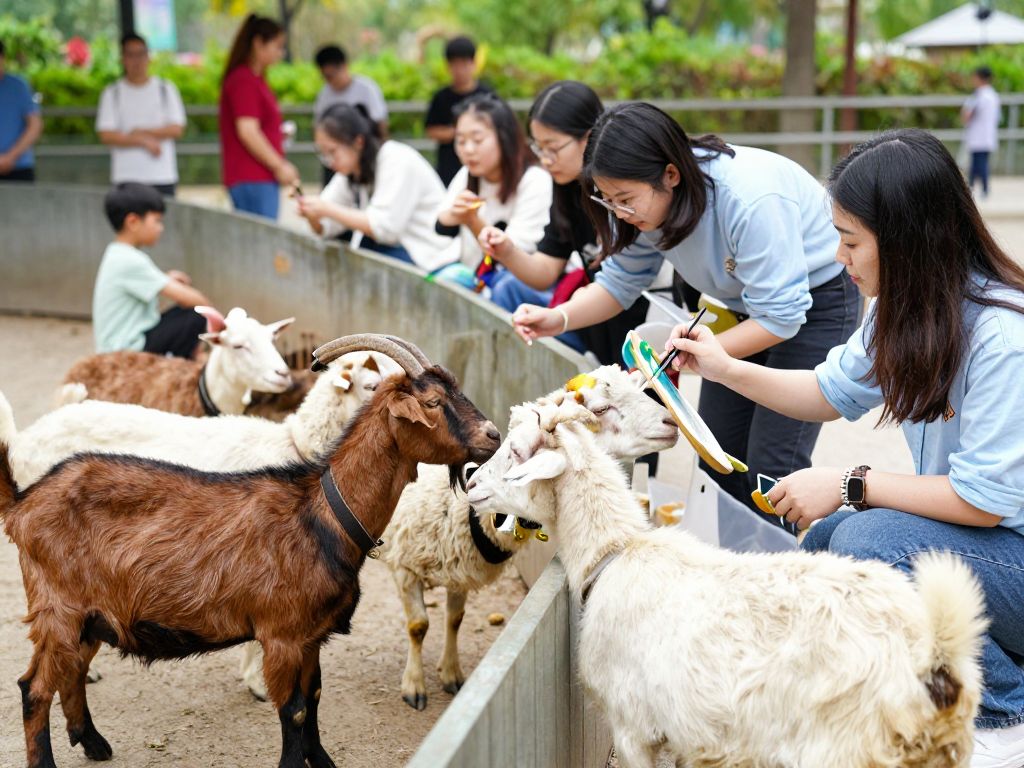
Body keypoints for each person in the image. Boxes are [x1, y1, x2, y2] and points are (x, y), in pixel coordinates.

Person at [666, 129, 1024, 768]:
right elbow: (826, 391)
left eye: (851, 241)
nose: (840, 258)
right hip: (994, 556)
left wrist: (850, 484)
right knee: (829, 545)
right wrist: (721, 367)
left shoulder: (1001, 337)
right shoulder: (906, 310)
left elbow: (983, 503)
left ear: (909, 242)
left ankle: (1005, 710)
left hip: (1011, 553)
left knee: (871, 543)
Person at [512, 102, 861, 524]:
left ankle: (767, 573)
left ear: (671, 175)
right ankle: (723, 567)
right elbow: (620, 281)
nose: (619, 212)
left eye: (624, 199)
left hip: (813, 303)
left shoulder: (748, 199)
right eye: (607, 200)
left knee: (772, 462)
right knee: (716, 449)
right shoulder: (644, 207)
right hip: (740, 309)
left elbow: (782, 316)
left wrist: (687, 354)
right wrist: (559, 318)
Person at [477, 80, 648, 362]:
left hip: (644, 324)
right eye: (539, 148)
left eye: (553, 147)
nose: (545, 159)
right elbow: (545, 270)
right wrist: (506, 251)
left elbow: (627, 281)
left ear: (590, 137)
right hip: (599, 319)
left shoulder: (628, 190)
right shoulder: (568, 189)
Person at [295, 104, 452, 269]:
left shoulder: (396, 160)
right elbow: (326, 226)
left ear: (358, 142)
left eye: (332, 152)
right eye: (323, 154)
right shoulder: (351, 170)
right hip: (403, 254)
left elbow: (384, 229)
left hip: (430, 257)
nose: (329, 161)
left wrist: (326, 209)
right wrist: (312, 215)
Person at [433, 94, 553, 300]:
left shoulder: (534, 180)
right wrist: (457, 213)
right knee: (439, 281)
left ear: (504, 137)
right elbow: (441, 224)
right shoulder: (467, 174)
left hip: (520, 287)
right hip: (477, 277)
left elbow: (512, 254)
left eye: (477, 140)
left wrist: (471, 219)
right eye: (460, 141)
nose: (468, 150)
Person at [94, 183, 211, 358]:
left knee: (185, 314)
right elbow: (196, 300)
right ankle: (177, 372)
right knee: (197, 315)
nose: (160, 228)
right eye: (156, 221)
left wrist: (166, 278)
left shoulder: (117, 253)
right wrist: (222, 325)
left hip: (120, 345)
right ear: (133, 221)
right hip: (126, 352)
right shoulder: (131, 260)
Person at [218, 14, 299, 220]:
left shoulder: (255, 79)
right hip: (252, 178)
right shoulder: (244, 80)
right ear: (258, 43)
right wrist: (280, 165)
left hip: (259, 178)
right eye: (278, 46)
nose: (281, 53)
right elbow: (247, 130)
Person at [96, 33, 187, 196]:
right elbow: (106, 134)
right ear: (122, 59)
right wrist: (142, 141)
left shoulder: (165, 89)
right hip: (126, 177)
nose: (136, 61)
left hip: (162, 176)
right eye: (130, 55)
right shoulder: (112, 92)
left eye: (140, 54)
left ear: (148, 57)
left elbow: (177, 128)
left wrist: (142, 133)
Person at [313, 44, 388, 189]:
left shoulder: (367, 89)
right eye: (325, 77)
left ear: (344, 66)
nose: (330, 81)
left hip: (365, 157)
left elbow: (380, 125)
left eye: (332, 75)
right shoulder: (324, 94)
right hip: (337, 157)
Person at [424, 36, 493, 186]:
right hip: (448, 166)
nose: (460, 70)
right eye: (455, 64)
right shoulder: (441, 97)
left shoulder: (487, 95)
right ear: (448, 66)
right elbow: (430, 130)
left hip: (482, 164)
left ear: (474, 64)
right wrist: (458, 134)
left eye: (464, 64)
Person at [0, 39, 42, 182]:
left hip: (19, 167)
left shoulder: (18, 86)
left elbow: (35, 125)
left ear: (3, 58)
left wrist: (10, 157)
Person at [962, 65, 1000, 199]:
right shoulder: (993, 96)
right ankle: (979, 189)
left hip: (978, 137)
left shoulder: (979, 97)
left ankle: (976, 189)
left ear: (980, 78)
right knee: (980, 164)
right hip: (987, 136)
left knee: (978, 165)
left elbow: (967, 116)